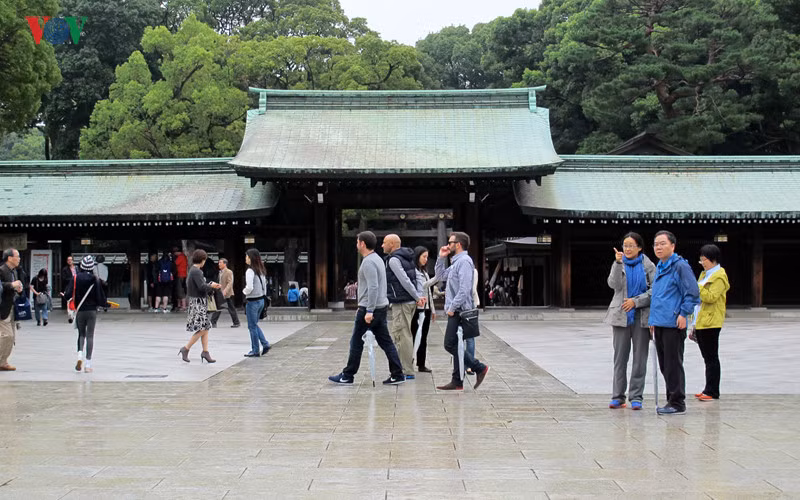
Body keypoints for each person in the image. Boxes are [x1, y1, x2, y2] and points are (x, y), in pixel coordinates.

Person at [329, 231, 405, 385]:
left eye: (357, 242)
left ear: (362, 243)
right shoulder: (377, 259)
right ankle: (397, 373)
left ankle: (348, 374)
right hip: (380, 306)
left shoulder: (369, 262)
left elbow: (373, 287)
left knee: (356, 341)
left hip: (371, 308)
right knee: (386, 342)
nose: (356, 245)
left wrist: (369, 310)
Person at [649, 230, 700, 415]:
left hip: (673, 322)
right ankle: (671, 398)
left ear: (672, 246)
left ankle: (678, 402)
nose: (658, 247)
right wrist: (652, 320)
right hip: (660, 322)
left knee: (673, 363)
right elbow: (658, 296)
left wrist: (683, 313)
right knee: (664, 364)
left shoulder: (680, 266)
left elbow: (693, 292)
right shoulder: (661, 266)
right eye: (656, 244)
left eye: (662, 243)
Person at [604, 232, 656, 410]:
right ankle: (618, 396)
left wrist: (636, 301)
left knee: (640, 358)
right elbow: (614, 285)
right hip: (620, 316)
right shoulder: (619, 263)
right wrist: (618, 264)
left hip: (641, 316)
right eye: (625, 245)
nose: (627, 249)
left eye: (631, 245)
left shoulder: (648, 265)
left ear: (640, 247)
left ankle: (636, 396)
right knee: (620, 358)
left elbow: (655, 291)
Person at [434, 232, 490, 391]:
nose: (448, 244)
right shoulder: (456, 262)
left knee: (449, 344)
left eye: (450, 242)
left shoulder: (464, 262)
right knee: (456, 345)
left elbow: (465, 289)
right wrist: (441, 258)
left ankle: (479, 367)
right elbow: (440, 276)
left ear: (457, 244)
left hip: (460, 311)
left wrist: (451, 308)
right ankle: (457, 380)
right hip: (456, 310)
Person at [690, 244, 730, 401]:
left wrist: (698, 287)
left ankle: (713, 391)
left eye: (704, 260)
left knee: (712, 357)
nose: (702, 263)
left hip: (711, 322)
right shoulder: (704, 274)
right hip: (701, 320)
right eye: (701, 260)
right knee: (707, 358)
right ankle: (708, 388)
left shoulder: (719, 276)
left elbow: (711, 297)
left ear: (713, 259)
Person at [382, 234, 425, 380]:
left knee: (402, 335)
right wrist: (418, 295)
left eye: (384, 242)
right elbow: (418, 277)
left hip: (401, 302)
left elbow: (405, 280)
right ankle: (404, 368)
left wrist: (417, 296)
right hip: (409, 301)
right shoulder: (407, 257)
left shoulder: (394, 260)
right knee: (405, 334)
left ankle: (406, 370)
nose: (382, 245)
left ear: (392, 244)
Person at [64, 256, 109, 373]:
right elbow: (100, 297)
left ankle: (79, 356)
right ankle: (88, 364)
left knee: (81, 334)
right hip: (91, 311)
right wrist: (105, 304)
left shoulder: (75, 278)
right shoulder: (95, 280)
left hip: (80, 310)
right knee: (90, 336)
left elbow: (68, 295)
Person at [178, 249, 221, 363]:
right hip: (198, 303)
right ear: (203, 260)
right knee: (203, 328)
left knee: (205, 327)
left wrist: (209, 285)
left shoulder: (193, 270)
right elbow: (202, 287)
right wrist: (212, 286)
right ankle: (186, 348)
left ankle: (205, 352)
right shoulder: (197, 271)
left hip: (196, 301)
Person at [242, 248, 270, 357]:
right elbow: (265, 287)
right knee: (254, 325)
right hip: (261, 300)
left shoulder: (250, 271)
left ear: (251, 258)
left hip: (252, 301)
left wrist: (244, 292)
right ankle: (264, 344)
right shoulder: (261, 270)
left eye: (247, 256)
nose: (245, 258)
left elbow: (249, 287)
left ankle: (256, 349)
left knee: (252, 326)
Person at [411, 246, 435, 373]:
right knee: (414, 335)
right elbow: (422, 286)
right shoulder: (413, 271)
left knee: (423, 337)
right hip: (417, 307)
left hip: (426, 308)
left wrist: (433, 309)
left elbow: (429, 293)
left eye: (427, 257)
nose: (426, 259)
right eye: (423, 256)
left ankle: (421, 363)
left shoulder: (424, 271)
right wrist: (436, 279)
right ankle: (410, 360)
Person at [0, 248, 24, 371]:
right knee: (7, 335)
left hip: (11, 307)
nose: (19, 259)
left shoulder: (13, 271)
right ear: (10, 258)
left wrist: (18, 289)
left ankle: (3, 362)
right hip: (2, 308)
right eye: (17, 256)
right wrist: (11, 285)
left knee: (11, 336)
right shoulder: (2, 270)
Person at [210, 258, 240, 328]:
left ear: (225, 264)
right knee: (219, 307)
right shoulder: (220, 272)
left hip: (227, 293)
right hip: (220, 292)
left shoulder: (229, 272)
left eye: (220, 263)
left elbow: (230, 282)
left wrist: (225, 290)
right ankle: (213, 322)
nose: (219, 264)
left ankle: (236, 322)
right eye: (219, 263)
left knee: (230, 308)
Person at [173, 247, 188, 312]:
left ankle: (183, 306)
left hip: (180, 275)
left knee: (180, 290)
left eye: (175, 252)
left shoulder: (180, 257)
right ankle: (180, 305)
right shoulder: (184, 256)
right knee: (181, 290)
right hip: (184, 275)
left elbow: (175, 263)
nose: (174, 253)